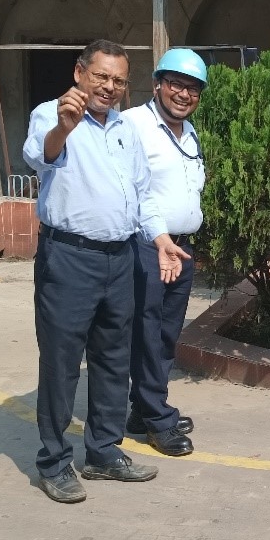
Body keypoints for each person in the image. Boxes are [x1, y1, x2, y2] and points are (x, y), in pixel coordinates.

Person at [23, 39, 190, 503]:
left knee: (114, 358)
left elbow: (141, 194)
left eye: (118, 80)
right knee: (61, 363)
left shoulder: (125, 128)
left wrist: (160, 240)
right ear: (80, 72)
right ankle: (55, 463)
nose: (110, 87)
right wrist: (64, 127)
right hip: (69, 258)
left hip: (120, 259)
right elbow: (41, 157)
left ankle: (103, 451)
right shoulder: (50, 114)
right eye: (101, 76)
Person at [120, 49, 207, 457]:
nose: (184, 94)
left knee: (166, 334)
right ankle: (157, 419)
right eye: (176, 84)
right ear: (157, 84)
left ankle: (144, 407)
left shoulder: (188, 132)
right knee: (147, 332)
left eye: (193, 88)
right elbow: (133, 192)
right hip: (147, 246)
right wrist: (158, 241)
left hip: (181, 248)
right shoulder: (134, 125)